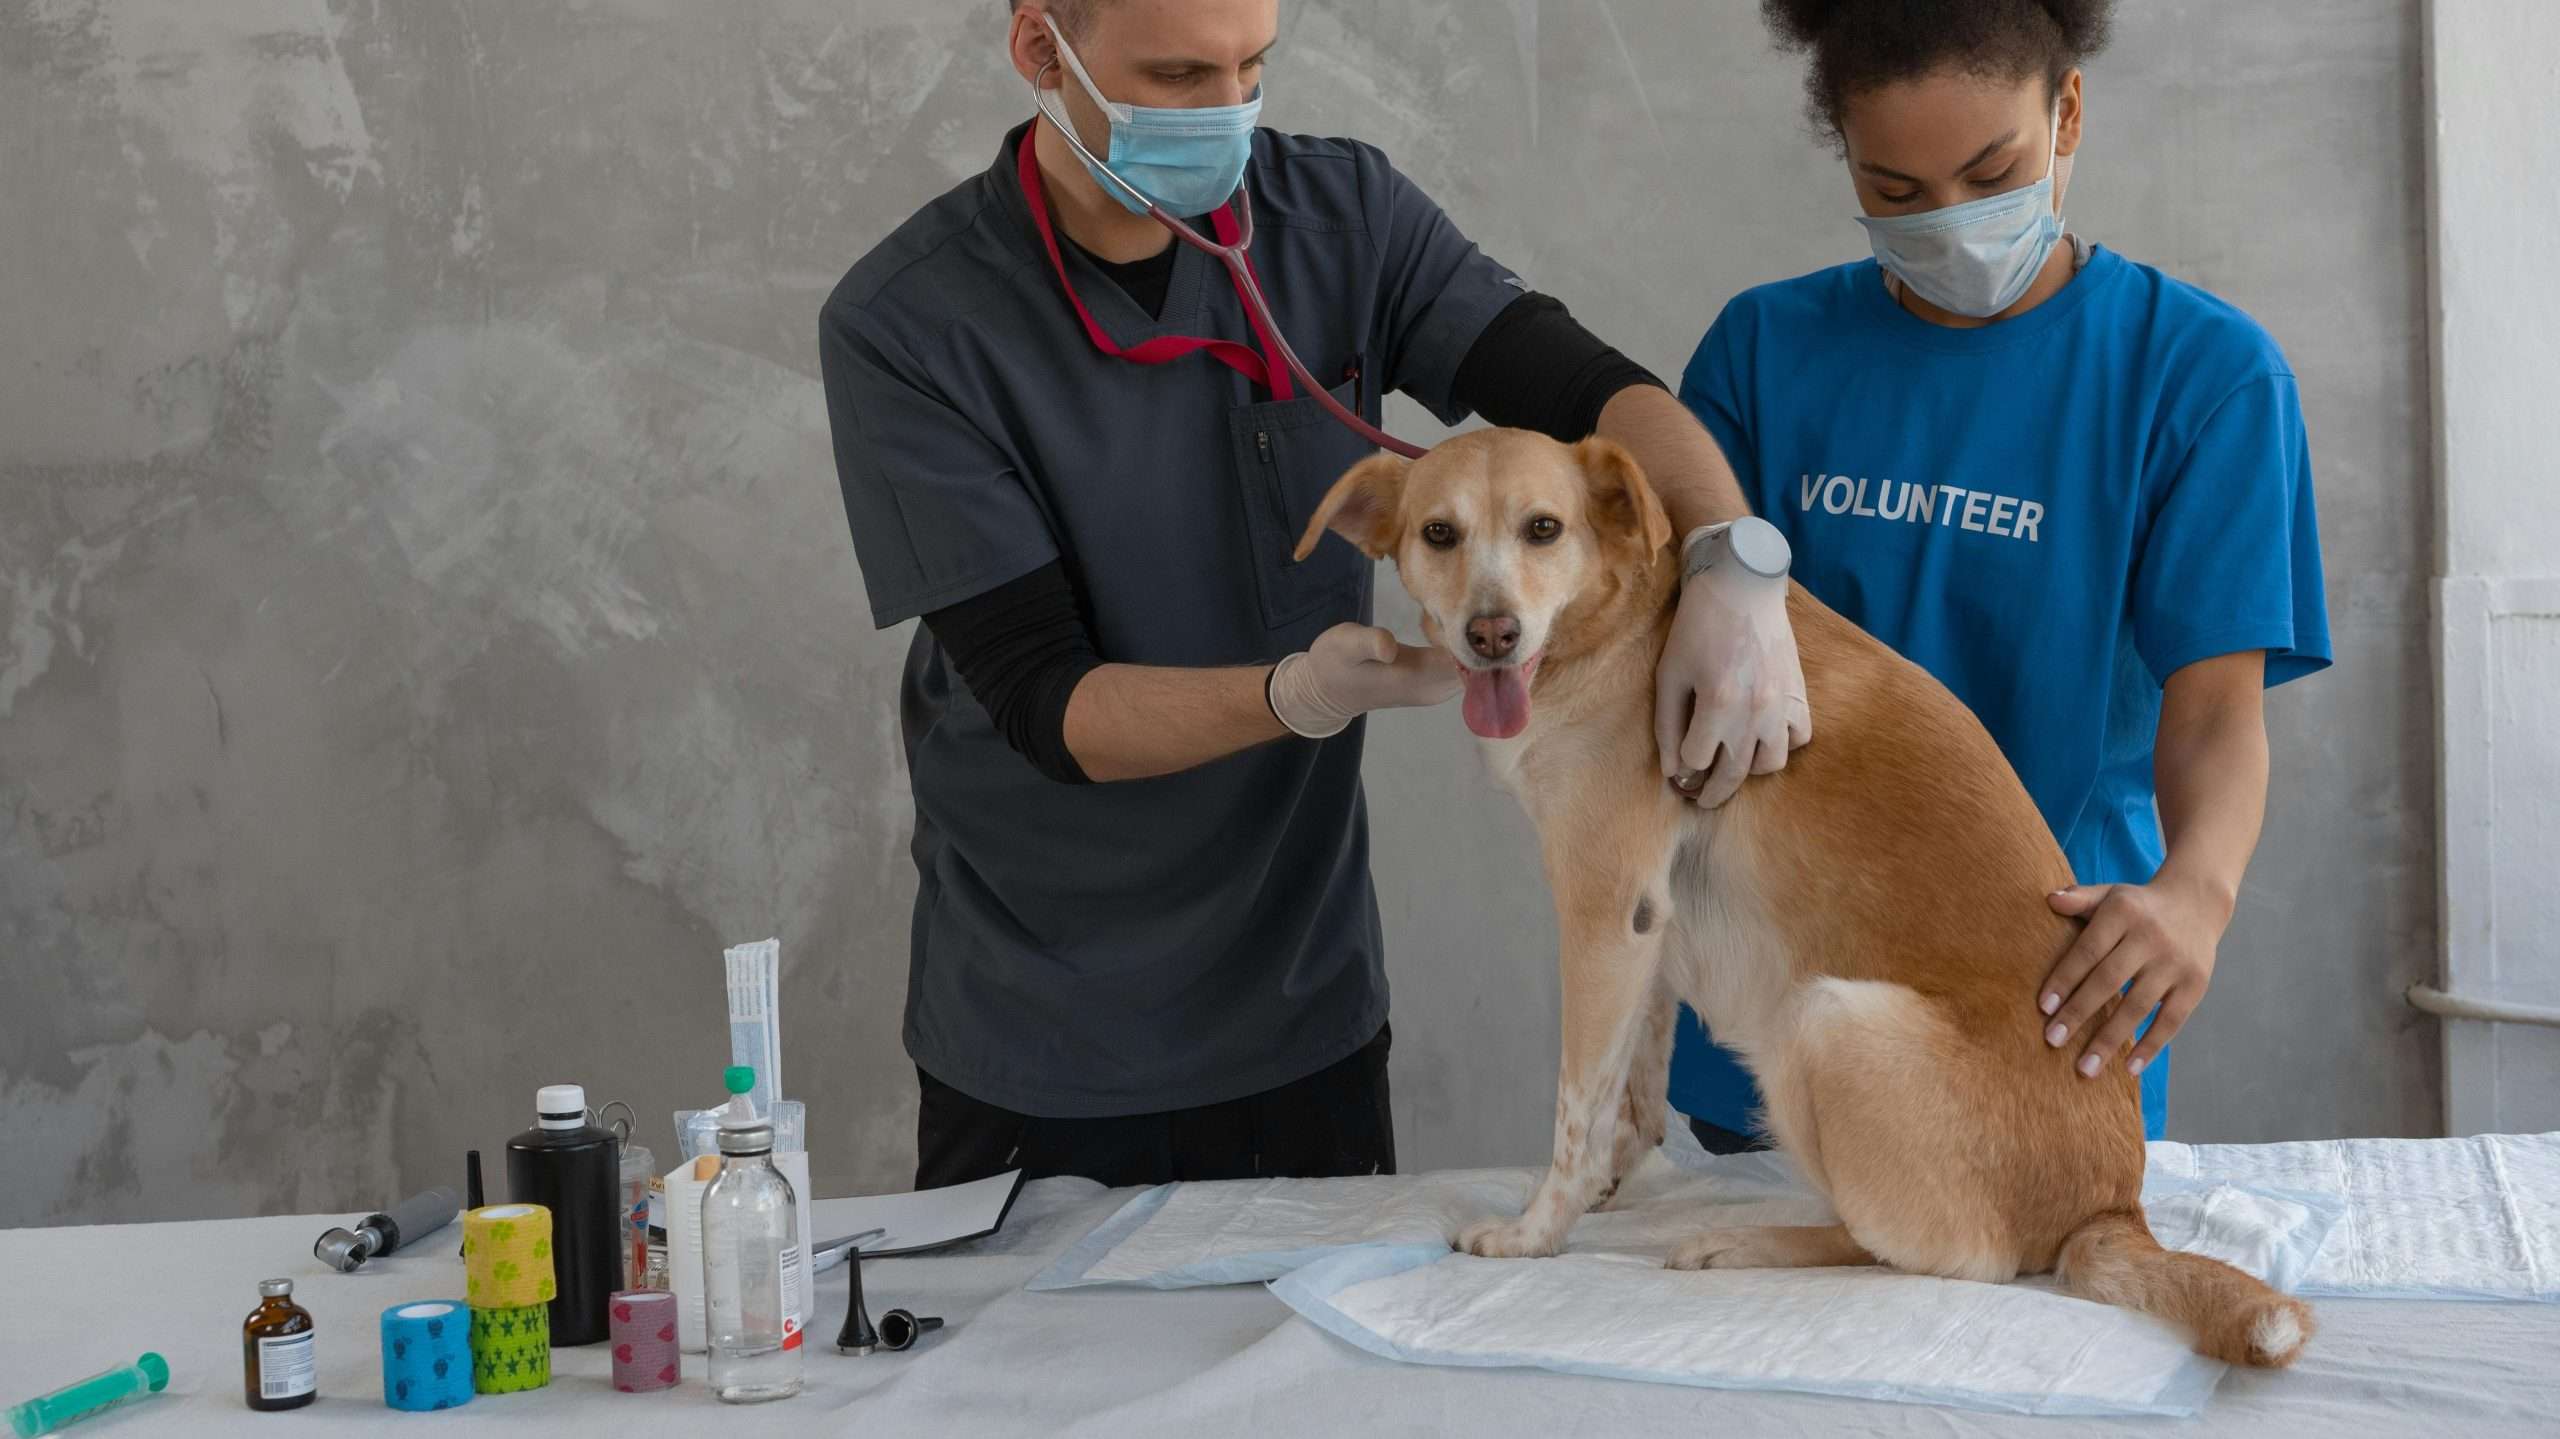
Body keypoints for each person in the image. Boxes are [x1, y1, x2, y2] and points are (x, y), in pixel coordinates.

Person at [821, 0, 1807, 1191]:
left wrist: (1733, 565)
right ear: (1043, 53)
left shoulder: (1339, 220)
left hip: (1299, 1005)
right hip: (1046, 1026)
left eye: (1251, 68)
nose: (1227, 115)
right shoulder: (909, 323)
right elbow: (1044, 698)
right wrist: (1298, 693)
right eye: (1179, 76)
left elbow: (1595, 389)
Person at [1669, 0, 2332, 1150]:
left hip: (2043, 1008)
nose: (1953, 225)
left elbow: (2215, 718)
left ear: (2067, 111)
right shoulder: (1761, 355)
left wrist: (2196, 895)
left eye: (1992, 174)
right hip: (1780, 996)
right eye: (1897, 193)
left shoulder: (2200, 379)